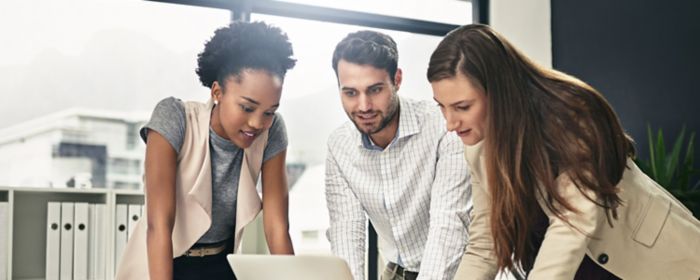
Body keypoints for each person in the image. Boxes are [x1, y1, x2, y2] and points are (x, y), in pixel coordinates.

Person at [428, 23, 700, 280]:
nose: (450, 124)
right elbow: (485, 243)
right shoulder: (479, 149)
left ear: (499, 93)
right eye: (442, 106)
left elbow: (572, 223)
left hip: (655, 263)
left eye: (462, 107)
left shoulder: (572, 113)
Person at [116, 21, 296, 280]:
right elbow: (159, 226)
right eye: (247, 107)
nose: (257, 123)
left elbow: (277, 228)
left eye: (269, 111)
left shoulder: (273, 131)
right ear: (217, 91)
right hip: (163, 262)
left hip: (221, 263)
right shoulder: (174, 117)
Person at [325, 30, 472, 280]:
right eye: (350, 93)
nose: (363, 106)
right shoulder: (339, 145)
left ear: (397, 79)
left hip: (457, 269)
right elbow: (347, 232)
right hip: (396, 271)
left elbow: (449, 226)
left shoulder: (441, 127)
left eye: (374, 90)